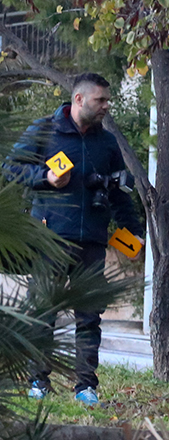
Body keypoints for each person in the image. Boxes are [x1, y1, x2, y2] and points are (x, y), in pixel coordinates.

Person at [3, 72, 144, 406]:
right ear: (79, 100)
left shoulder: (107, 142)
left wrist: (133, 232)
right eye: (101, 100)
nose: (107, 107)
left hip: (92, 241)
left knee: (90, 317)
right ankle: (38, 381)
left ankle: (86, 387)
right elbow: (9, 168)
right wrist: (44, 178)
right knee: (44, 311)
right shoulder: (43, 130)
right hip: (49, 238)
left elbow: (120, 192)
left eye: (107, 100)